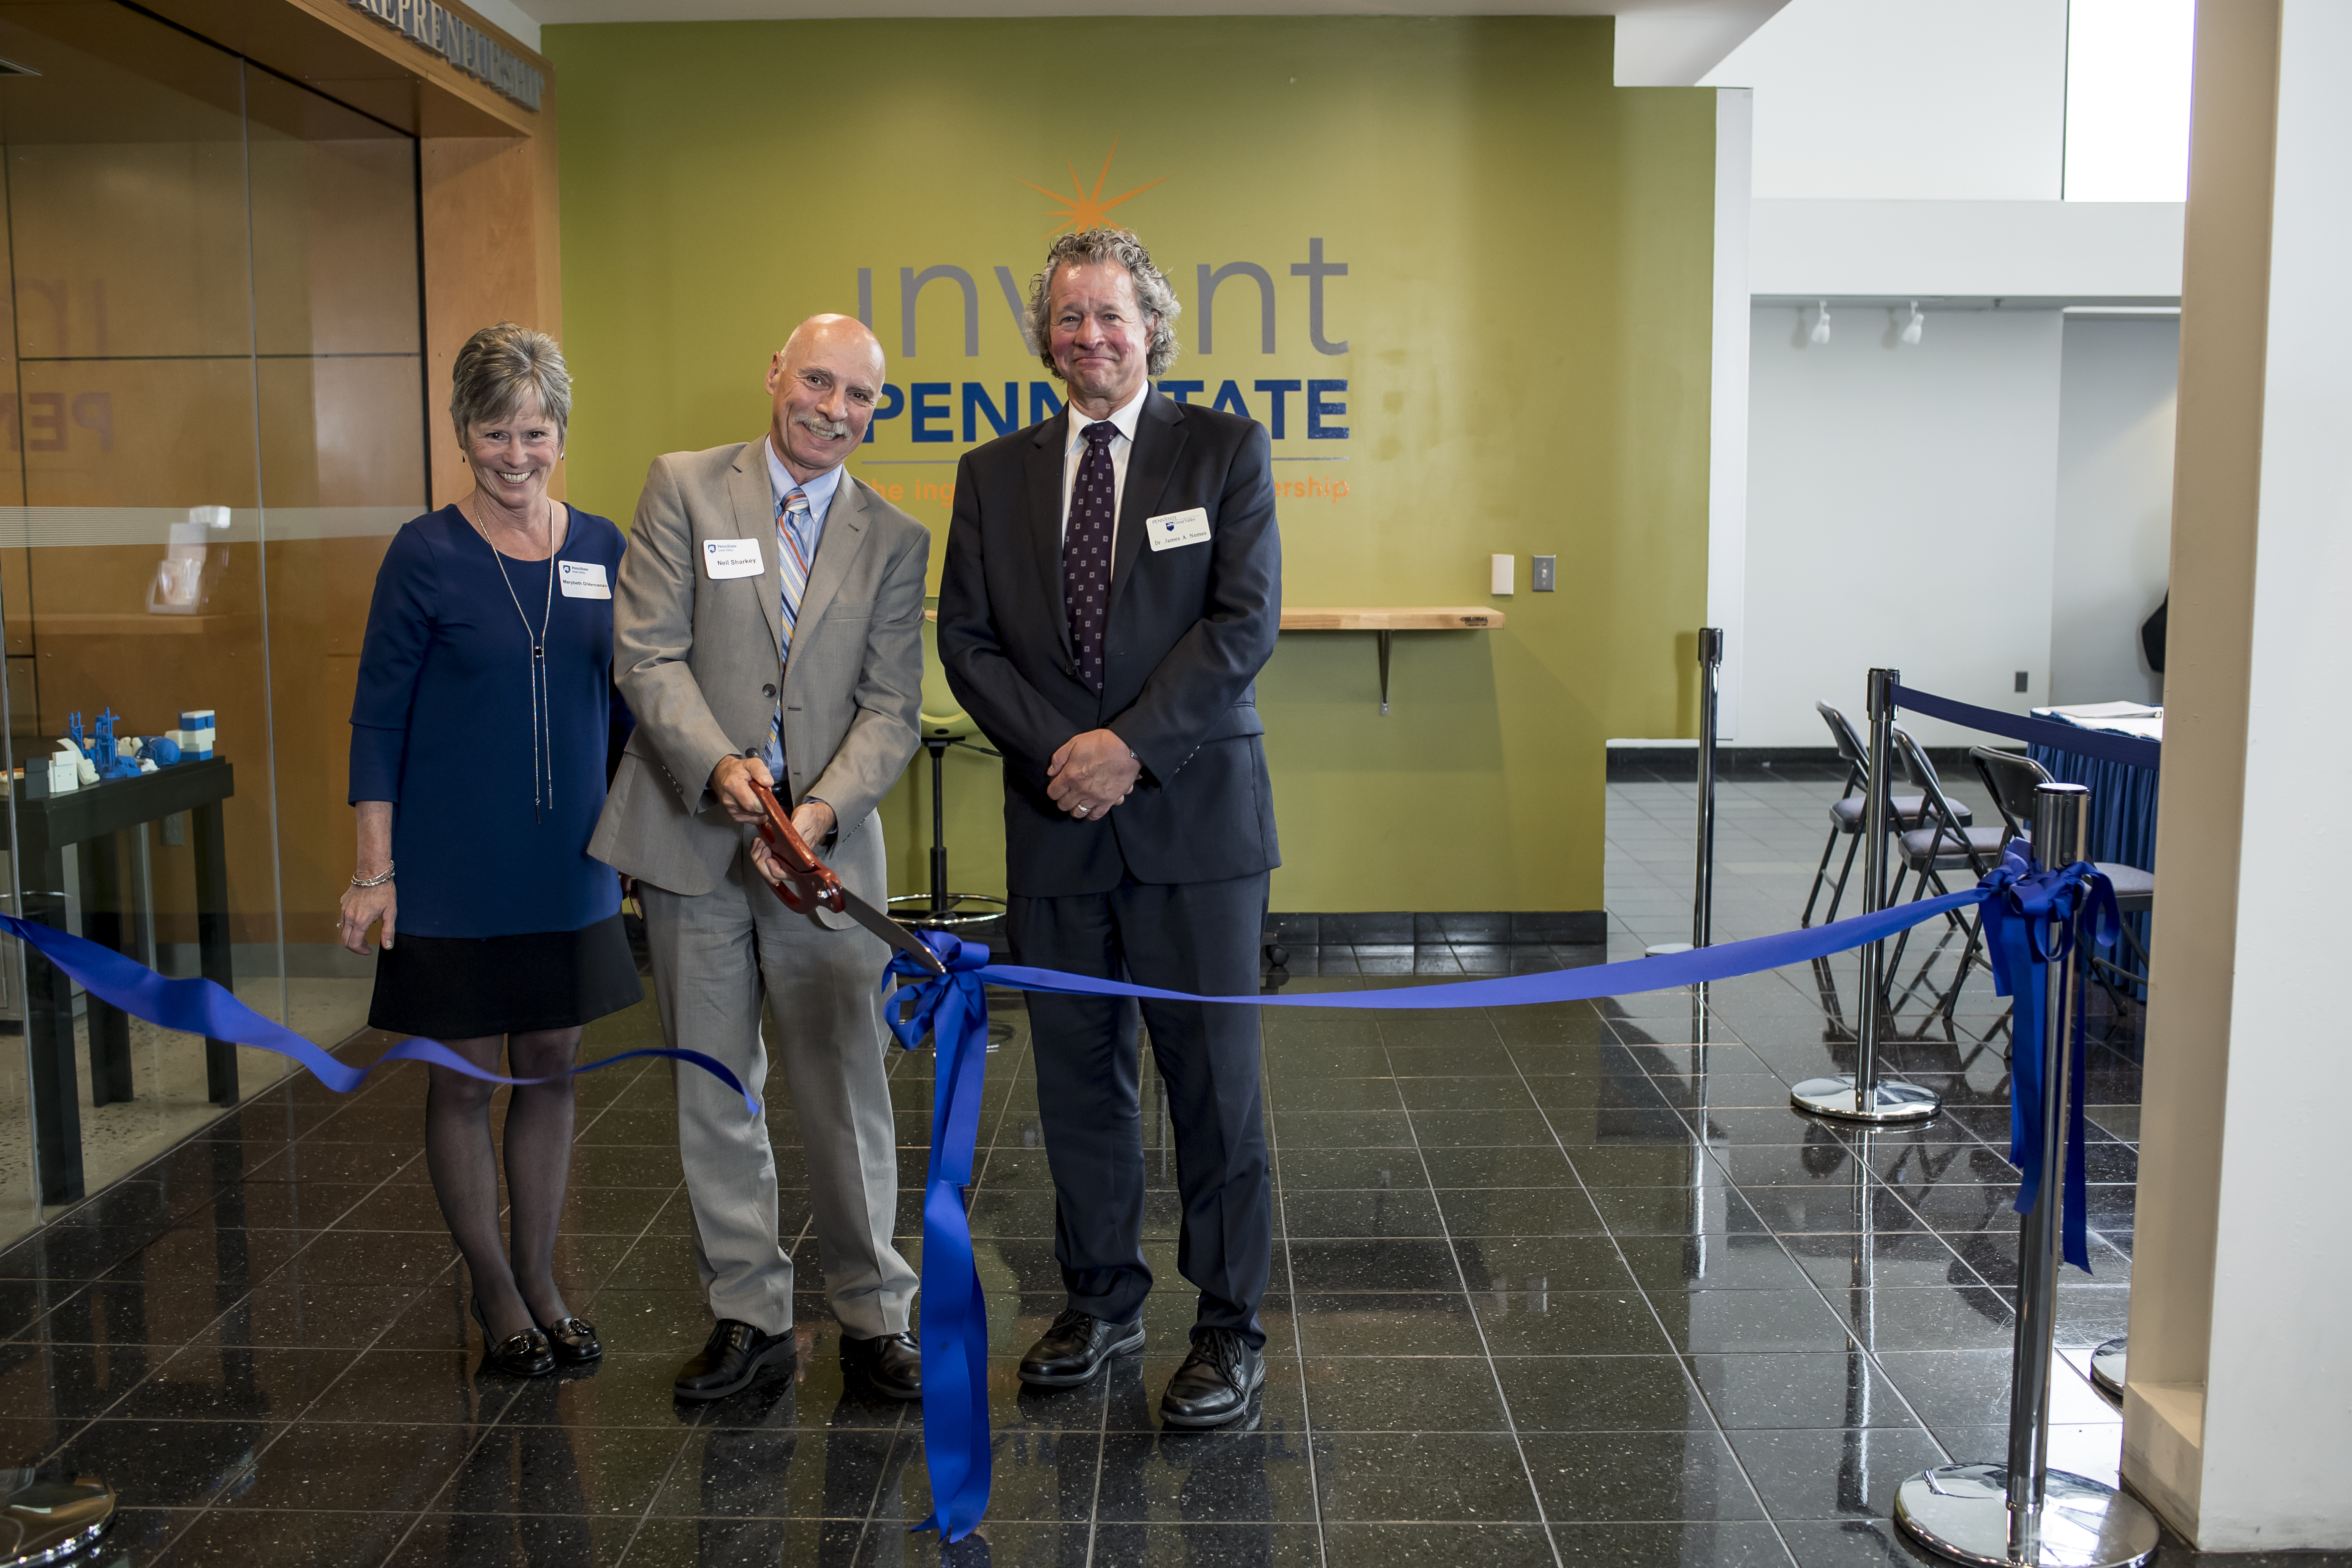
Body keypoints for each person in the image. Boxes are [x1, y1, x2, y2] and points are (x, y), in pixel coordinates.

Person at [937, 227, 1282, 1428]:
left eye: (1112, 313)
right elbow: (965, 642)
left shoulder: (1225, 450)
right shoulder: (993, 474)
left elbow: (1243, 624)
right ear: (1047, 337)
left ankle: (1230, 1329)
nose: (1091, 334)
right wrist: (1062, 756)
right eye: (1070, 316)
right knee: (1080, 1083)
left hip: (1197, 827)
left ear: (1153, 327)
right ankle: (1099, 1301)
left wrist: (1127, 747)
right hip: (1056, 825)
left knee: (1215, 1089)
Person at [590, 314, 929, 1402]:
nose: (834, 409)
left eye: (860, 396)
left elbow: (891, 709)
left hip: (822, 857)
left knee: (846, 1084)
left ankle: (877, 1315)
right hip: (695, 834)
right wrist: (721, 765)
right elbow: (646, 653)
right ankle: (749, 1313)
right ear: (775, 375)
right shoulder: (686, 488)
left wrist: (821, 809)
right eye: (818, 381)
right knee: (714, 1085)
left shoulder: (893, 534)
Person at [343, 322, 639, 1378]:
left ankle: (542, 1273)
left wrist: (638, 838)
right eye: (493, 432)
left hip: (570, 857)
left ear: (562, 432)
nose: (515, 454)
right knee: (465, 1079)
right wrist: (375, 869)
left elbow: (626, 709)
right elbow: (376, 719)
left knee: (553, 1064)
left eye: (535, 432)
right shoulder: (424, 551)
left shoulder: (605, 546)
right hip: (452, 868)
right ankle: (494, 1285)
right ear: (461, 433)